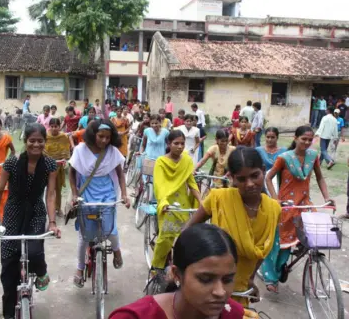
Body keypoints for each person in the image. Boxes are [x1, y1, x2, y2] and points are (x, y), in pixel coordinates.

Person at [0, 123, 62, 319]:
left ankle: (41, 272)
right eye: (32, 141)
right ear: (25, 141)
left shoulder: (50, 165)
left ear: (45, 142)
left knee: (35, 251)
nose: (36, 145)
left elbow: (51, 194)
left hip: (36, 212)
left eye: (40, 141)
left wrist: (52, 222)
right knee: (9, 265)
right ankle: (9, 313)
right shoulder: (12, 163)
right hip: (12, 213)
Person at [188, 147, 281, 307]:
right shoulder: (219, 199)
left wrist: (251, 279)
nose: (250, 184)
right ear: (232, 178)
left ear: (264, 171)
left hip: (241, 290)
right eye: (242, 179)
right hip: (210, 288)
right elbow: (189, 232)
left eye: (255, 176)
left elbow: (260, 253)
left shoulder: (273, 209)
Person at [110, 224, 246, 319]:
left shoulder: (234, 314)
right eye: (205, 279)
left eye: (227, 280)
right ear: (177, 274)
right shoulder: (134, 316)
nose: (220, 292)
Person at [262, 126, 333, 293]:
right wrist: (275, 200)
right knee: (281, 245)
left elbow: (320, 177)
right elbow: (268, 177)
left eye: (310, 140)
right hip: (287, 206)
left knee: (316, 234)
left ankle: (301, 251)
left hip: (304, 204)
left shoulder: (313, 156)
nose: (307, 143)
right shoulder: (284, 158)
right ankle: (272, 277)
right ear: (295, 138)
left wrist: (327, 198)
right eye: (304, 139)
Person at [69, 119, 130, 288]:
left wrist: (124, 195)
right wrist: (74, 194)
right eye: (101, 136)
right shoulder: (80, 150)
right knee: (84, 236)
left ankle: (117, 251)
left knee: (110, 229)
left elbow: (120, 174)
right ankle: (80, 268)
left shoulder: (112, 151)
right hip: (86, 193)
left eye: (108, 137)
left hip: (107, 193)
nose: (104, 140)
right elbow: (72, 173)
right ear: (92, 135)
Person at [151, 130, 202, 272]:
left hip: (182, 205)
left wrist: (201, 202)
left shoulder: (186, 160)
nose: (180, 147)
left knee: (185, 239)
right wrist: (164, 203)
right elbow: (159, 185)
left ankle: (180, 268)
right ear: (168, 144)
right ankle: (156, 266)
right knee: (165, 238)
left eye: (182, 144)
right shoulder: (161, 162)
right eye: (176, 143)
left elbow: (191, 183)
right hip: (167, 205)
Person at [45, 118, 71, 216]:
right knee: (48, 188)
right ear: (49, 126)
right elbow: (43, 149)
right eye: (52, 126)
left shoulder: (63, 136)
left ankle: (58, 208)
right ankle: (48, 207)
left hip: (58, 166)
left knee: (57, 188)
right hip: (47, 165)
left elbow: (66, 150)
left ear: (59, 126)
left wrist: (64, 159)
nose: (54, 128)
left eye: (56, 126)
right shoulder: (46, 136)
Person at [255, 127, 287, 194]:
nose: (270, 140)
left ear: (277, 138)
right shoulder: (258, 150)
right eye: (268, 137)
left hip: (280, 182)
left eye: (272, 137)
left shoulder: (284, 151)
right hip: (263, 183)